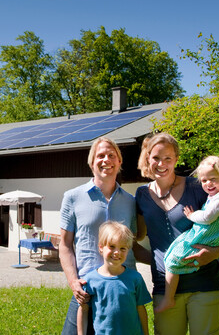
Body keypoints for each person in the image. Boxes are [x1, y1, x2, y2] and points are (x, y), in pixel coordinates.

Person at [135, 132, 219, 335]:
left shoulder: (197, 187)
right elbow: (137, 236)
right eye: (155, 158)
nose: (161, 163)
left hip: (204, 284)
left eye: (167, 158)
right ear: (148, 158)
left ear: (176, 160)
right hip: (165, 288)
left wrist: (214, 253)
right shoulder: (142, 195)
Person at [59, 137, 138, 335]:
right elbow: (65, 244)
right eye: (100, 155)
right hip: (86, 290)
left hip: (122, 288)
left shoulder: (130, 202)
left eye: (112, 155)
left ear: (119, 162)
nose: (106, 160)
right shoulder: (73, 197)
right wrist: (73, 281)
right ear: (91, 162)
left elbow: (132, 244)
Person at [155, 155, 219, 313]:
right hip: (217, 235)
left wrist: (192, 216)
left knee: (172, 260)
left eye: (213, 179)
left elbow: (206, 217)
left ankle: (168, 299)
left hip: (208, 235)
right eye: (204, 180)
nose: (208, 184)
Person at [77, 221, 151, 335]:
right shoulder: (90, 280)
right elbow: (83, 309)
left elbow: (140, 308)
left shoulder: (135, 278)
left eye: (123, 248)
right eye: (112, 247)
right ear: (101, 247)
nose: (117, 252)